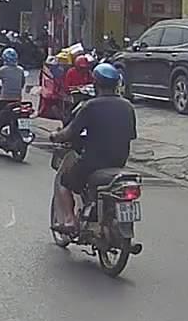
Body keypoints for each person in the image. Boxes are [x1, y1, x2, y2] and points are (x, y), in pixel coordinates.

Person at [48, 63, 138, 231]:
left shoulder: (90, 106)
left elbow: (70, 132)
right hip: (119, 161)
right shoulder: (127, 106)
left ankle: (69, 220)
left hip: (93, 162)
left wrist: (55, 136)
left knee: (64, 182)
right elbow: (130, 135)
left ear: (96, 84)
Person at [0, 47, 25, 135]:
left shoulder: (3, 69)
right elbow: (22, 84)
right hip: (17, 100)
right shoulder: (21, 70)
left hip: (5, 99)